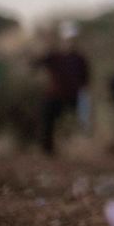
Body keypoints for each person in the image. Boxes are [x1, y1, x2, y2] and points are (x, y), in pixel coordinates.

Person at [32, 22, 91, 155]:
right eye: (67, 39)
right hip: (55, 95)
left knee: (79, 123)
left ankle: (77, 147)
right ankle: (47, 150)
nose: (69, 42)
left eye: (72, 39)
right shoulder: (54, 56)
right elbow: (36, 63)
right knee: (46, 118)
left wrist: (84, 97)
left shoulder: (80, 58)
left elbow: (86, 80)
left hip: (73, 96)